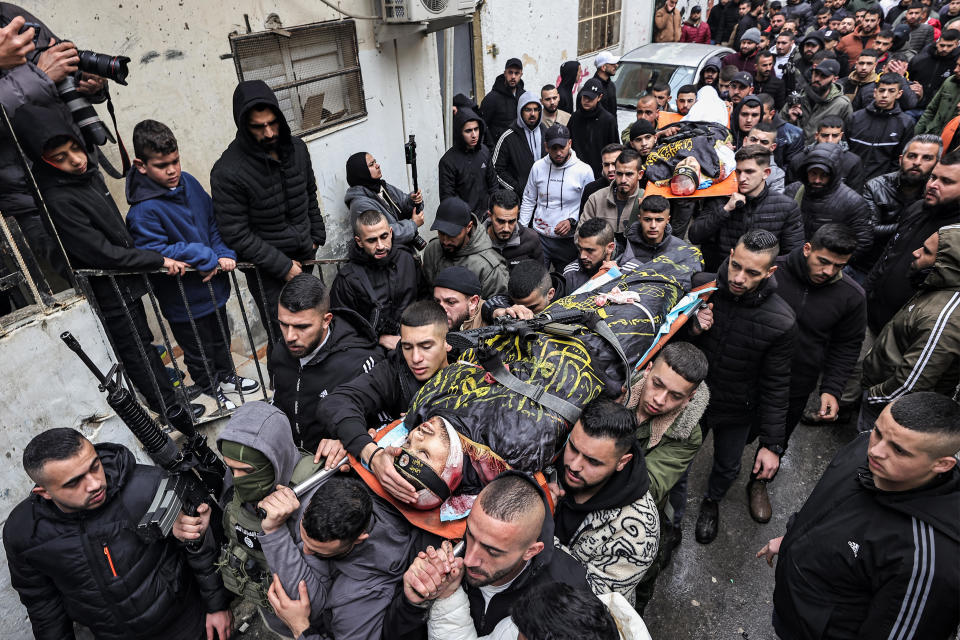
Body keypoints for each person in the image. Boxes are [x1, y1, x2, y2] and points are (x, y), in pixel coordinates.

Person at [11, 104, 203, 426]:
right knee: (136, 352)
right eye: (60, 157)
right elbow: (101, 253)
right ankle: (170, 414)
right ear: (44, 160)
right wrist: (157, 259)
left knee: (144, 344)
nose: (75, 159)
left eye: (74, 147)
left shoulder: (85, 177)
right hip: (109, 287)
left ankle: (171, 404)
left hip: (123, 283)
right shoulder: (57, 198)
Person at [759, 392, 960, 640]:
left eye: (898, 449)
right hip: (793, 612)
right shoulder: (864, 446)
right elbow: (830, 504)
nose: (875, 450)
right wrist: (793, 537)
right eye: (878, 431)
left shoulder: (930, 564)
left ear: (942, 464)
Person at [3, 428, 232, 640]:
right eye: (74, 482)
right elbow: (42, 604)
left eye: (94, 466)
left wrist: (217, 606)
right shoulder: (24, 532)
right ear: (44, 492)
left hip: (185, 623)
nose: (94, 484)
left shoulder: (147, 486)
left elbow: (198, 549)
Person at [126, 119, 258, 410]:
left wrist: (225, 253)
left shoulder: (190, 183)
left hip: (214, 288)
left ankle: (226, 376)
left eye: (175, 161)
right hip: (182, 300)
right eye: (162, 165)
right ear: (141, 165)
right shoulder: (142, 212)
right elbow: (155, 250)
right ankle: (211, 387)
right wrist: (207, 256)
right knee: (198, 349)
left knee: (221, 338)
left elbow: (213, 221)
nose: (172, 170)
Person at [687, 230, 797, 544]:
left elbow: (777, 384)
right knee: (678, 457)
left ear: (770, 272)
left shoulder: (781, 321)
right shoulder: (701, 286)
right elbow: (671, 342)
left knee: (728, 464)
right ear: (731, 253)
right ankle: (671, 513)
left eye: (752, 273)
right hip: (694, 398)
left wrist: (772, 444)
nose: (738, 278)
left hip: (738, 409)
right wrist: (693, 328)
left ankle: (711, 502)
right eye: (736, 266)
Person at [392, 472, 590, 638]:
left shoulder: (566, 590)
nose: (469, 559)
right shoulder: (437, 550)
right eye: (470, 533)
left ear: (531, 551)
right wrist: (412, 603)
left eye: (492, 551)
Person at [758, 224, 866, 522]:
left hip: (797, 382)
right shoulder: (772, 270)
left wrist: (831, 387)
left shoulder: (852, 296)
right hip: (751, 371)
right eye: (823, 261)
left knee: (777, 437)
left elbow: (847, 345)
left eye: (839, 266)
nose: (829, 271)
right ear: (808, 249)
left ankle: (759, 483)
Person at [211, 80, 326, 359]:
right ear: (243, 125)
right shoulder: (227, 171)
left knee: (310, 328)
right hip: (267, 273)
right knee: (284, 338)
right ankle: (285, 391)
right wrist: (283, 266)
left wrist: (316, 237)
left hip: (305, 256)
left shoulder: (297, 149)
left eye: (273, 123)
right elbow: (236, 233)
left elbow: (309, 193)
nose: (269, 132)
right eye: (258, 127)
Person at [259, 474, 423, 640]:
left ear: (359, 538)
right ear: (310, 504)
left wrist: (300, 627)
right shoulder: (343, 480)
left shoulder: (362, 597)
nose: (306, 552)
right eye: (305, 540)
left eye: (318, 551)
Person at [317, 300, 450, 504]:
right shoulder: (395, 371)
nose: (415, 358)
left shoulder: (471, 371)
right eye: (407, 347)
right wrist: (370, 453)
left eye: (426, 346)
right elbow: (336, 402)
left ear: (446, 342)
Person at [215, 401, 329, 635]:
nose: (235, 479)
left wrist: (275, 531)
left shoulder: (316, 501)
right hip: (270, 615)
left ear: (275, 459)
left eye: (246, 471)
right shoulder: (237, 479)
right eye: (230, 468)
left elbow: (310, 602)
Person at [0, 5, 92, 285]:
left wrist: (87, 82)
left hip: (81, 175)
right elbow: (43, 77)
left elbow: (59, 65)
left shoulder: (8, 13)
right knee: (91, 286)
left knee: (126, 281)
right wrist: (38, 77)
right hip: (31, 196)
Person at [626, 342, 709, 608]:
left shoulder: (687, 434)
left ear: (690, 397)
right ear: (648, 369)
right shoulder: (615, 392)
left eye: (675, 396)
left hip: (641, 520)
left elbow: (647, 486)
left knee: (641, 582)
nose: (659, 400)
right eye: (657, 384)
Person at [552, 398, 660, 604]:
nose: (574, 466)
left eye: (592, 461)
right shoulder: (551, 453)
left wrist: (540, 523)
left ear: (622, 462)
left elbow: (592, 600)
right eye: (573, 448)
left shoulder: (639, 532)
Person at [859, 225, 960, 429]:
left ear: (946, 265)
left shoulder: (944, 318)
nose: (916, 252)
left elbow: (909, 385)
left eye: (926, 251)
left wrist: (872, 397)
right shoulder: (940, 287)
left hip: (891, 408)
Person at [270, 273, 382, 450]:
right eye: (284, 324)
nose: (289, 337)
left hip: (335, 467)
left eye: (302, 326)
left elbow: (382, 424)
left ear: (326, 320)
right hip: (288, 454)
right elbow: (279, 400)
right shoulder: (279, 352)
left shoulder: (361, 361)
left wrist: (347, 441)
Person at [864, 152, 960, 335]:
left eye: (946, 182)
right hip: (870, 316)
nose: (933, 185)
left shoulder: (955, 235)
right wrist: (865, 292)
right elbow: (888, 255)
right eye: (933, 177)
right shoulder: (917, 208)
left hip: (905, 332)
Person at [689, 146, 804, 272]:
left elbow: (792, 253)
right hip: (721, 275)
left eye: (749, 172)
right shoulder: (721, 200)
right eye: (738, 172)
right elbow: (695, 236)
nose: (742, 178)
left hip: (762, 280)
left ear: (766, 173)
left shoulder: (786, 206)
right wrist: (725, 209)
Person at [851, 134, 943, 279]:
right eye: (912, 156)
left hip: (907, 270)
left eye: (927, 158)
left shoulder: (937, 195)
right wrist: (910, 224)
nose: (917, 162)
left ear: (937, 164)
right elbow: (868, 229)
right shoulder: (876, 186)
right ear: (901, 159)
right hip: (866, 265)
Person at [329, 209, 423, 350]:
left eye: (384, 236)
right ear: (359, 242)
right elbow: (340, 328)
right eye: (371, 240)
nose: (380, 246)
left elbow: (424, 298)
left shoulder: (407, 259)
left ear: (391, 232)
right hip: (373, 351)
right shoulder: (347, 279)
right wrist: (379, 339)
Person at [520, 124, 595, 270]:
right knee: (537, 280)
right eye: (554, 148)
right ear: (546, 147)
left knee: (566, 281)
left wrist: (572, 221)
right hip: (539, 237)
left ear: (570, 144)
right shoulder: (537, 167)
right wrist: (521, 231)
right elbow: (529, 199)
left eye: (562, 147)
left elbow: (589, 206)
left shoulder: (584, 171)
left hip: (569, 241)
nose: (559, 152)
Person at [784, 144, 873, 262]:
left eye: (824, 175)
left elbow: (863, 242)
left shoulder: (853, 202)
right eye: (813, 173)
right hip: (792, 259)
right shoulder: (793, 191)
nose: (817, 180)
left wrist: (832, 263)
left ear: (834, 175)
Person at [422, 197, 509, 299]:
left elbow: (497, 307)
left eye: (452, 234)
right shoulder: (432, 250)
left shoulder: (490, 268)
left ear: (469, 227)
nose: (445, 241)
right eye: (441, 233)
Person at [344, 151, 424, 250]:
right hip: (384, 256)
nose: (377, 165)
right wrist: (413, 225)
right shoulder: (360, 204)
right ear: (361, 172)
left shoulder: (381, 186)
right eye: (371, 164)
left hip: (400, 250)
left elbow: (402, 202)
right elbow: (382, 234)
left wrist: (413, 200)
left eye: (375, 162)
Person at [847, 72, 916, 180]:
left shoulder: (905, 123)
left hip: (880, 183)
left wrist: (886, 182)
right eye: (882, 90)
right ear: (875, 92)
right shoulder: (855, 118)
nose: (885, 95)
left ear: (899, 94)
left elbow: (899, 159)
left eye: (891, 91)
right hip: (850, 178)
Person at [618, 195, 705, 277]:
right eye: (647, 220)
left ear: (668, 220)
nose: (653, 225)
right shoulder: (625, 245)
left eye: (659, 220)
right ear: (639, 219)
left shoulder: (681, 249)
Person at [439, 107, 496, 219]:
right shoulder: (448, 161)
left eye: (476, 129)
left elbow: (493, 185)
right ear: (460, 132)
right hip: (464, 221)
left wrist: (493, 209)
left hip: (487, 216)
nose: (474, 135)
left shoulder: (484, 151)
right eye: (468, 131)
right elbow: (447, 200)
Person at [780, 58, 853, 144]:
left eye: (823, 76)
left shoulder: (842, 104)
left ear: (834, 79)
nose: (817, 79)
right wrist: (791, 121)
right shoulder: (798, 97)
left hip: (822, 153)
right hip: (794, 151)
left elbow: (847, 135)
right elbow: (779, 126)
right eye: (816, 74)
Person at [787, 116, 866, 191]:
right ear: (816, 135)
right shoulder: (799, 160)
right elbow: (791, 191)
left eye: (835, 136)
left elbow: (855, 196)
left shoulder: (852, 162)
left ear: (841, 136)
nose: (829, 140)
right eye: (825, 135)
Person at [581, 148, 643, 244]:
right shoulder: (596, 199)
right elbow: (580, 235)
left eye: (629, 174)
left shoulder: (646, 199)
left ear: (640, 174)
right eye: (619, 174)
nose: (623, 180)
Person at [491, 91, 547, 194]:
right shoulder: (508, 137)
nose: (533, 114)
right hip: (520, 199)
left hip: (545, 195)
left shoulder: (546, 132)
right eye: (528, 110)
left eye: (536, 109)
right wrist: (517, 188)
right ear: (520, 111)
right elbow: (496, 169)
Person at [568, 78, 620, 178]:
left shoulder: (608, 120)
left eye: (591, 98)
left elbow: (615, 149)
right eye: (584, 97)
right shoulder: (575, 117)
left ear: (599, 97)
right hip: (576, 173)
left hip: (600, 174)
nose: (586, 101)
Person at [481, 259, 561, 322]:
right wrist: (502, 311)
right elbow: (490, 303)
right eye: (517, 305)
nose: (524, 312)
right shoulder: (517, 296)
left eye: (532, 308)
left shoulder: (570, 297)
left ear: (550, 293)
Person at [484, 188, 543, 269]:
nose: (506, 228)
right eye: (500, 221)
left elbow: (541, 275)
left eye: (511, 221)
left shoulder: (531, 239)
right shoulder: (475, 241)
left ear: (517, 216)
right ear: (490, 216)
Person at [908, 29, 960, 112]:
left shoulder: (957, 64)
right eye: (942, 45)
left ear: (957, 44)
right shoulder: (920, 59)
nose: (944, 49)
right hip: (914, 105)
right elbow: (908, 78)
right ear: (937, 42)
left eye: (949, 46)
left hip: (939, 110)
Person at [563, 219, 618, 292]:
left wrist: (617, 277)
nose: (582, 256)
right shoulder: (571, 273)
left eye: (589, 250)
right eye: (580, 248)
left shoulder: (629, 270)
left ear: (610, 247)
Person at [481, 58, 525, 146]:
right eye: (510, 72)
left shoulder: (524, 96)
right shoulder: (492, 98)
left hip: (519, 146)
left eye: (516, 73)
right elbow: (482, 125)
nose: (513, 76)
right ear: (505, 73)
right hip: (499, 148)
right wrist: (490, 146)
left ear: (521, 75)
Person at [758, 93, 805, 169]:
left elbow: (791, 168)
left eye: (761, 114)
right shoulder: (747, 126)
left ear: (771, 114)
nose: (755, 118)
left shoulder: (794, 134)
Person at [915, 57, 960, 134]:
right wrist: (917, 133)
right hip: (932, 135)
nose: (955, 69)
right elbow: (931, 110)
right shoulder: (950, 82)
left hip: (952, 140)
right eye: (957, 65)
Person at [433, 266, 484, 330]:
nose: (441, 309)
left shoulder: (492, 331)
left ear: (473, 302)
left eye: (450, 302)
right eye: (437, 301)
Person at [580, 143, 624, 214]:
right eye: (606, 165)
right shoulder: (591, 189)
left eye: (614, 164)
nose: (610, 169)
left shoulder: (634, 187)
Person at [743, 122, 787, 191]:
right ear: (745, 141)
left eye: (764, 142)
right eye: (753, 140)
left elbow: (775, 200)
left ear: (772, 147)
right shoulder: (729, 162)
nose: (757, 145)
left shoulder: (776, 175)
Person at [593, 51, 620, 118]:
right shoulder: (592, 87)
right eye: (612, 64)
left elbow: (614, 113)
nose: (616, 65)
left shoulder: (611, 85)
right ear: (603, 67)